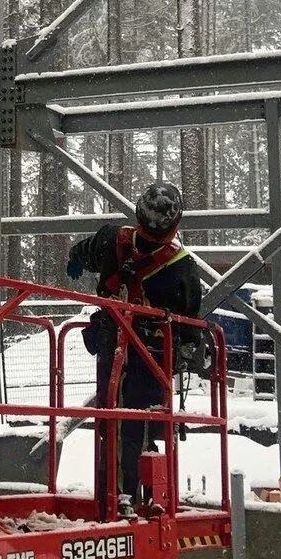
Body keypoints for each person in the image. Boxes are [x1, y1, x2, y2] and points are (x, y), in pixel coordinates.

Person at [66, 183, 203, 519]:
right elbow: (189, 329)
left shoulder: (114, 240)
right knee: (135, 427)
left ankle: (111, 498)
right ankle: (129, 497)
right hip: (149, 357)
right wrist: (180, 356)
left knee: (110, 424)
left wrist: (75, 261)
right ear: (175, 224)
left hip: (114, 348)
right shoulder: (181, 268)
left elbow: (81, 252)